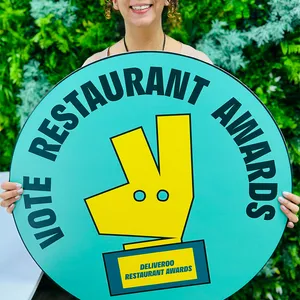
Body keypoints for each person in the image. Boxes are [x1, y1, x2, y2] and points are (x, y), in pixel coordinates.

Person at [0, 0, 299, 299]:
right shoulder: (93, 70)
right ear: (114, 3)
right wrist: (28, 196)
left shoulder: (198, 64)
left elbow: (220, 161)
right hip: (116, 259)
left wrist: (269, 203)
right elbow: (79, 167)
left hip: (184, 258)